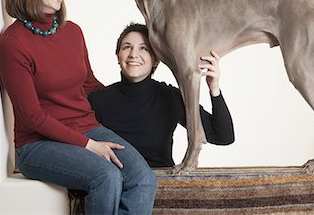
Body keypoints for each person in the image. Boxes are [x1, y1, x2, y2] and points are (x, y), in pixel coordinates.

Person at [0, 0, 157, 215]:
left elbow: (89, 85)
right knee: (106, 176)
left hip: (88, 128)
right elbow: (32, 116)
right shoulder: (13, 43)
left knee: (143, 178)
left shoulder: (73, 32)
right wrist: (87, 145)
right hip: (37, 145)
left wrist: (132, 99)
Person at [89, 23, 235, 167]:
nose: (134, 54)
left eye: (144, 48)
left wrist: (214, 88)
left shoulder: (170, 97)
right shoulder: (98, 100)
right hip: (117, 183)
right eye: (127, 47)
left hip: (163, 183)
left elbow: (222, 136)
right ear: (118, 56)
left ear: (156, 59)